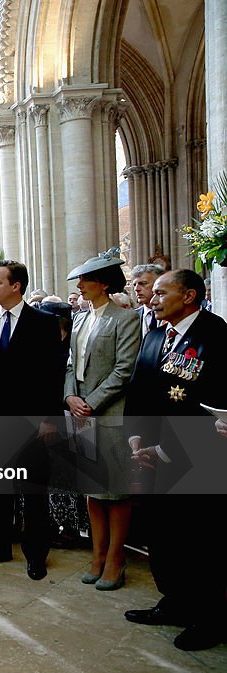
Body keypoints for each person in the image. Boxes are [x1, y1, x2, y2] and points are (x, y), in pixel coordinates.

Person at [123, 270, 227, 650]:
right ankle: (175, 602)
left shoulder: (215, 336)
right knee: (163, 537)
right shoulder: (155, 333)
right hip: (151, 458)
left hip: (197, 462)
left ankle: (209, 618)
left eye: (161, 292)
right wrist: (135, 439)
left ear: (188, 296)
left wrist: (164, 451)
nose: (152, 297)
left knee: (199, 542)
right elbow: (138, 391)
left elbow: (213, 408)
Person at [0, 260, 65, 580]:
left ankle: (36, 555)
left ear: (16, 286)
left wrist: (50, 419)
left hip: (32, 423)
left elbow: (52, 376)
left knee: (33, 492)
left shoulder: (43, 322)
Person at [64, 249, 141, 591]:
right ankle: (96, 556)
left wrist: (90, 402)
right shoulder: (79, 319)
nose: (79, 285)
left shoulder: (125, 318)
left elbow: (124, 370)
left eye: (84, 279)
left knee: (116, 491)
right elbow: (69, 365)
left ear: (103, 283)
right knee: (92, 491)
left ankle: (115, 558)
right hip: (81, 415)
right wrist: (70, 398)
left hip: (109, 414)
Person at [131, 263, 164, 340]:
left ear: (158, 284)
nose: (136, 289)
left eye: (143, 283)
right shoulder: (133, 317)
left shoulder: (172, 313)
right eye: (134, 284)